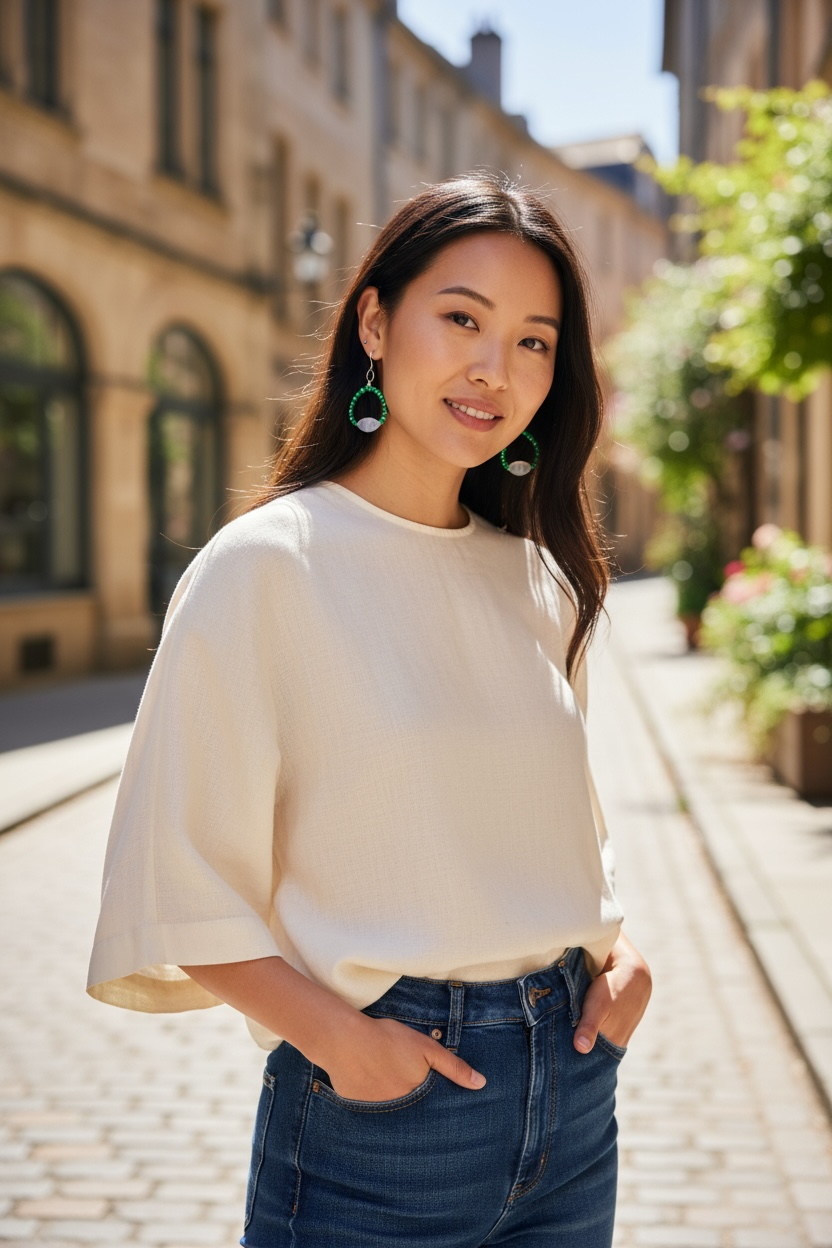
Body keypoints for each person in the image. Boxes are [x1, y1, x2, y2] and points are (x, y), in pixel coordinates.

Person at [87, 172, 652, 1247]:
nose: (496, 368)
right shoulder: (264, 569)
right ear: (376, 321)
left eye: (534, 341)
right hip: (382, 1119)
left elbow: (563, 822)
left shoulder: (538, 578)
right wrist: (350, 1048)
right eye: (462, 319)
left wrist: (621, 956)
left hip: (574, 1099)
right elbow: (173, 880)